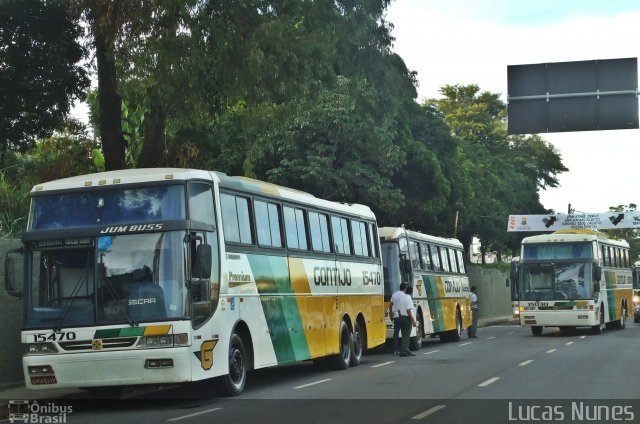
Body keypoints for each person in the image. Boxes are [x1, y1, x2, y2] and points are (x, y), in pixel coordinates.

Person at [388, 282, 407, 355]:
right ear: (405, 288)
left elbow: (390, 304)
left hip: (395, 317)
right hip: (401, 316)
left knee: (396, 334)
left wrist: (390, 315)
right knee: (403, 333)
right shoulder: (404, 295)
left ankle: (395, 350)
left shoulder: (394, 294)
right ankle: (402, 349)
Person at [398, 285, 417, 357]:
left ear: (405, 290)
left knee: (404, 335)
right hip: (407, 318)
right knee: (406, 336)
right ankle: (403, 351)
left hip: (402, 317)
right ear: (411, 292)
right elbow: (408, 310)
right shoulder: (409, 299)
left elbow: (399, 309)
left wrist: (400, 317)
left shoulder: (402, 298)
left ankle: (406, 350)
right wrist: (413, 321)